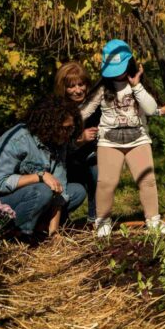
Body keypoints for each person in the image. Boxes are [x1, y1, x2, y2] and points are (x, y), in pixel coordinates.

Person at [80, 39, 165, 237]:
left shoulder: (137, 86)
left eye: (120, 68)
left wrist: (137, 86)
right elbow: (84, 111)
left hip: (138, 140)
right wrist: (65, 120)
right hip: (109, 141)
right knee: (106, 183)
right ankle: (102, 222)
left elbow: (149, 109)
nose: (116, 73)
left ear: (130, 64)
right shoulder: (102, 88)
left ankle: (153, 221)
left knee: (147, 181)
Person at [0, 97, 86, 238]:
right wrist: (40, 176)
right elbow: (0, 183)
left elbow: (60, 188)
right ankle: (21, 234)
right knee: (42, 190)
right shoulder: (18, 139)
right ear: (49, 125)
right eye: (65, 129)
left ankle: (42, 227)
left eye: (71, 128)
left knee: (77, 191)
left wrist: (54, 233)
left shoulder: (60, 141)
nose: (69, 133)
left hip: (32, 195)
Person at [55, 61, 100, 222]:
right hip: (66, 160)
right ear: (64, 88)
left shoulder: (96, 106)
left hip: (92, 156)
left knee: (97, 170)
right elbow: (58, 146)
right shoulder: (58, 110)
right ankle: (60, 217)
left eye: (81, 84)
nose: (78, 90)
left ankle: (95, 217)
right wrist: (80, 139)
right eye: (72, 86)